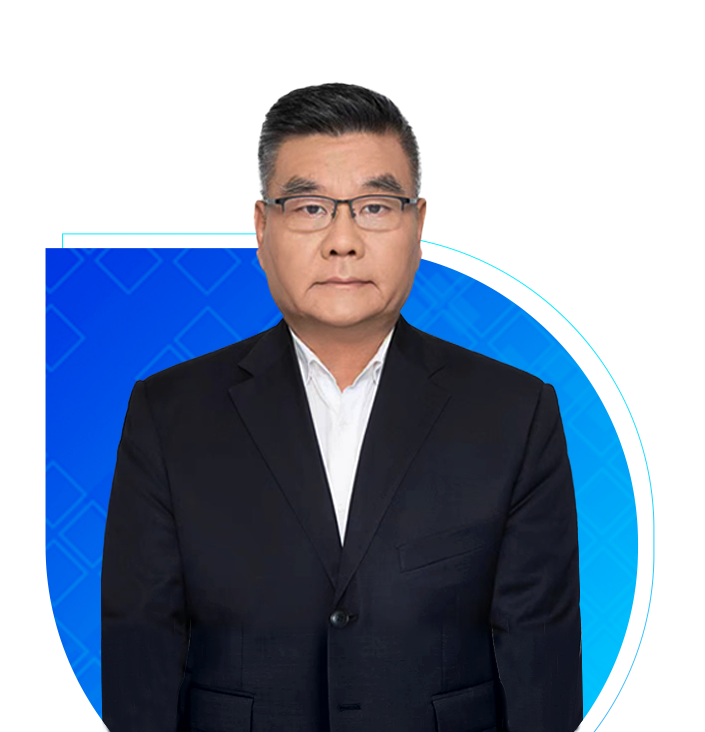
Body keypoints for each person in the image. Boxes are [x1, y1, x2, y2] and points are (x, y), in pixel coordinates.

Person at [101, 81, 583, 732]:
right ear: (262, 227)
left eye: (375, 207)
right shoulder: (168, 414)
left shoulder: (515, 413)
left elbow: (541, 671)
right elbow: (140, 659)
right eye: (309, 207)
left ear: (417, 224)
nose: (342, 240)